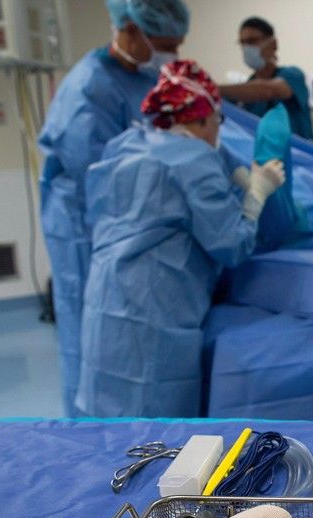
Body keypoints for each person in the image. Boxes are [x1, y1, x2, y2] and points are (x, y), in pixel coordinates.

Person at [75, 61, 286, 417]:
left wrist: (231, 170)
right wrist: (257, 195)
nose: (218, 132)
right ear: (204, 119)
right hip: (152, 313)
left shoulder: (128, 144)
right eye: (217, 122)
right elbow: (232, 244)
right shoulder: (194, 161)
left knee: (107, 424)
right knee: (155, 432)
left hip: (105, 304)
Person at [38, 0, 189, 415]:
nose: (170, 56)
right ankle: (88, 425)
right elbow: (101, 173)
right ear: (129, 30)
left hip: (118, 215)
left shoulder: (141, 77)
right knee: (90, 323)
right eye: (163, 45)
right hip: (83, 221)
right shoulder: (88, 89)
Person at [218, 16, 313, 143]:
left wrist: (212, 87)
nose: (246, 48)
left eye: (252, 41)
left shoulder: (293, 75)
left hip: (300, 157)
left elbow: (268, 91)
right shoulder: (245, 92)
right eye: (242, 43)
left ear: (274, 44)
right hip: (264, 159)